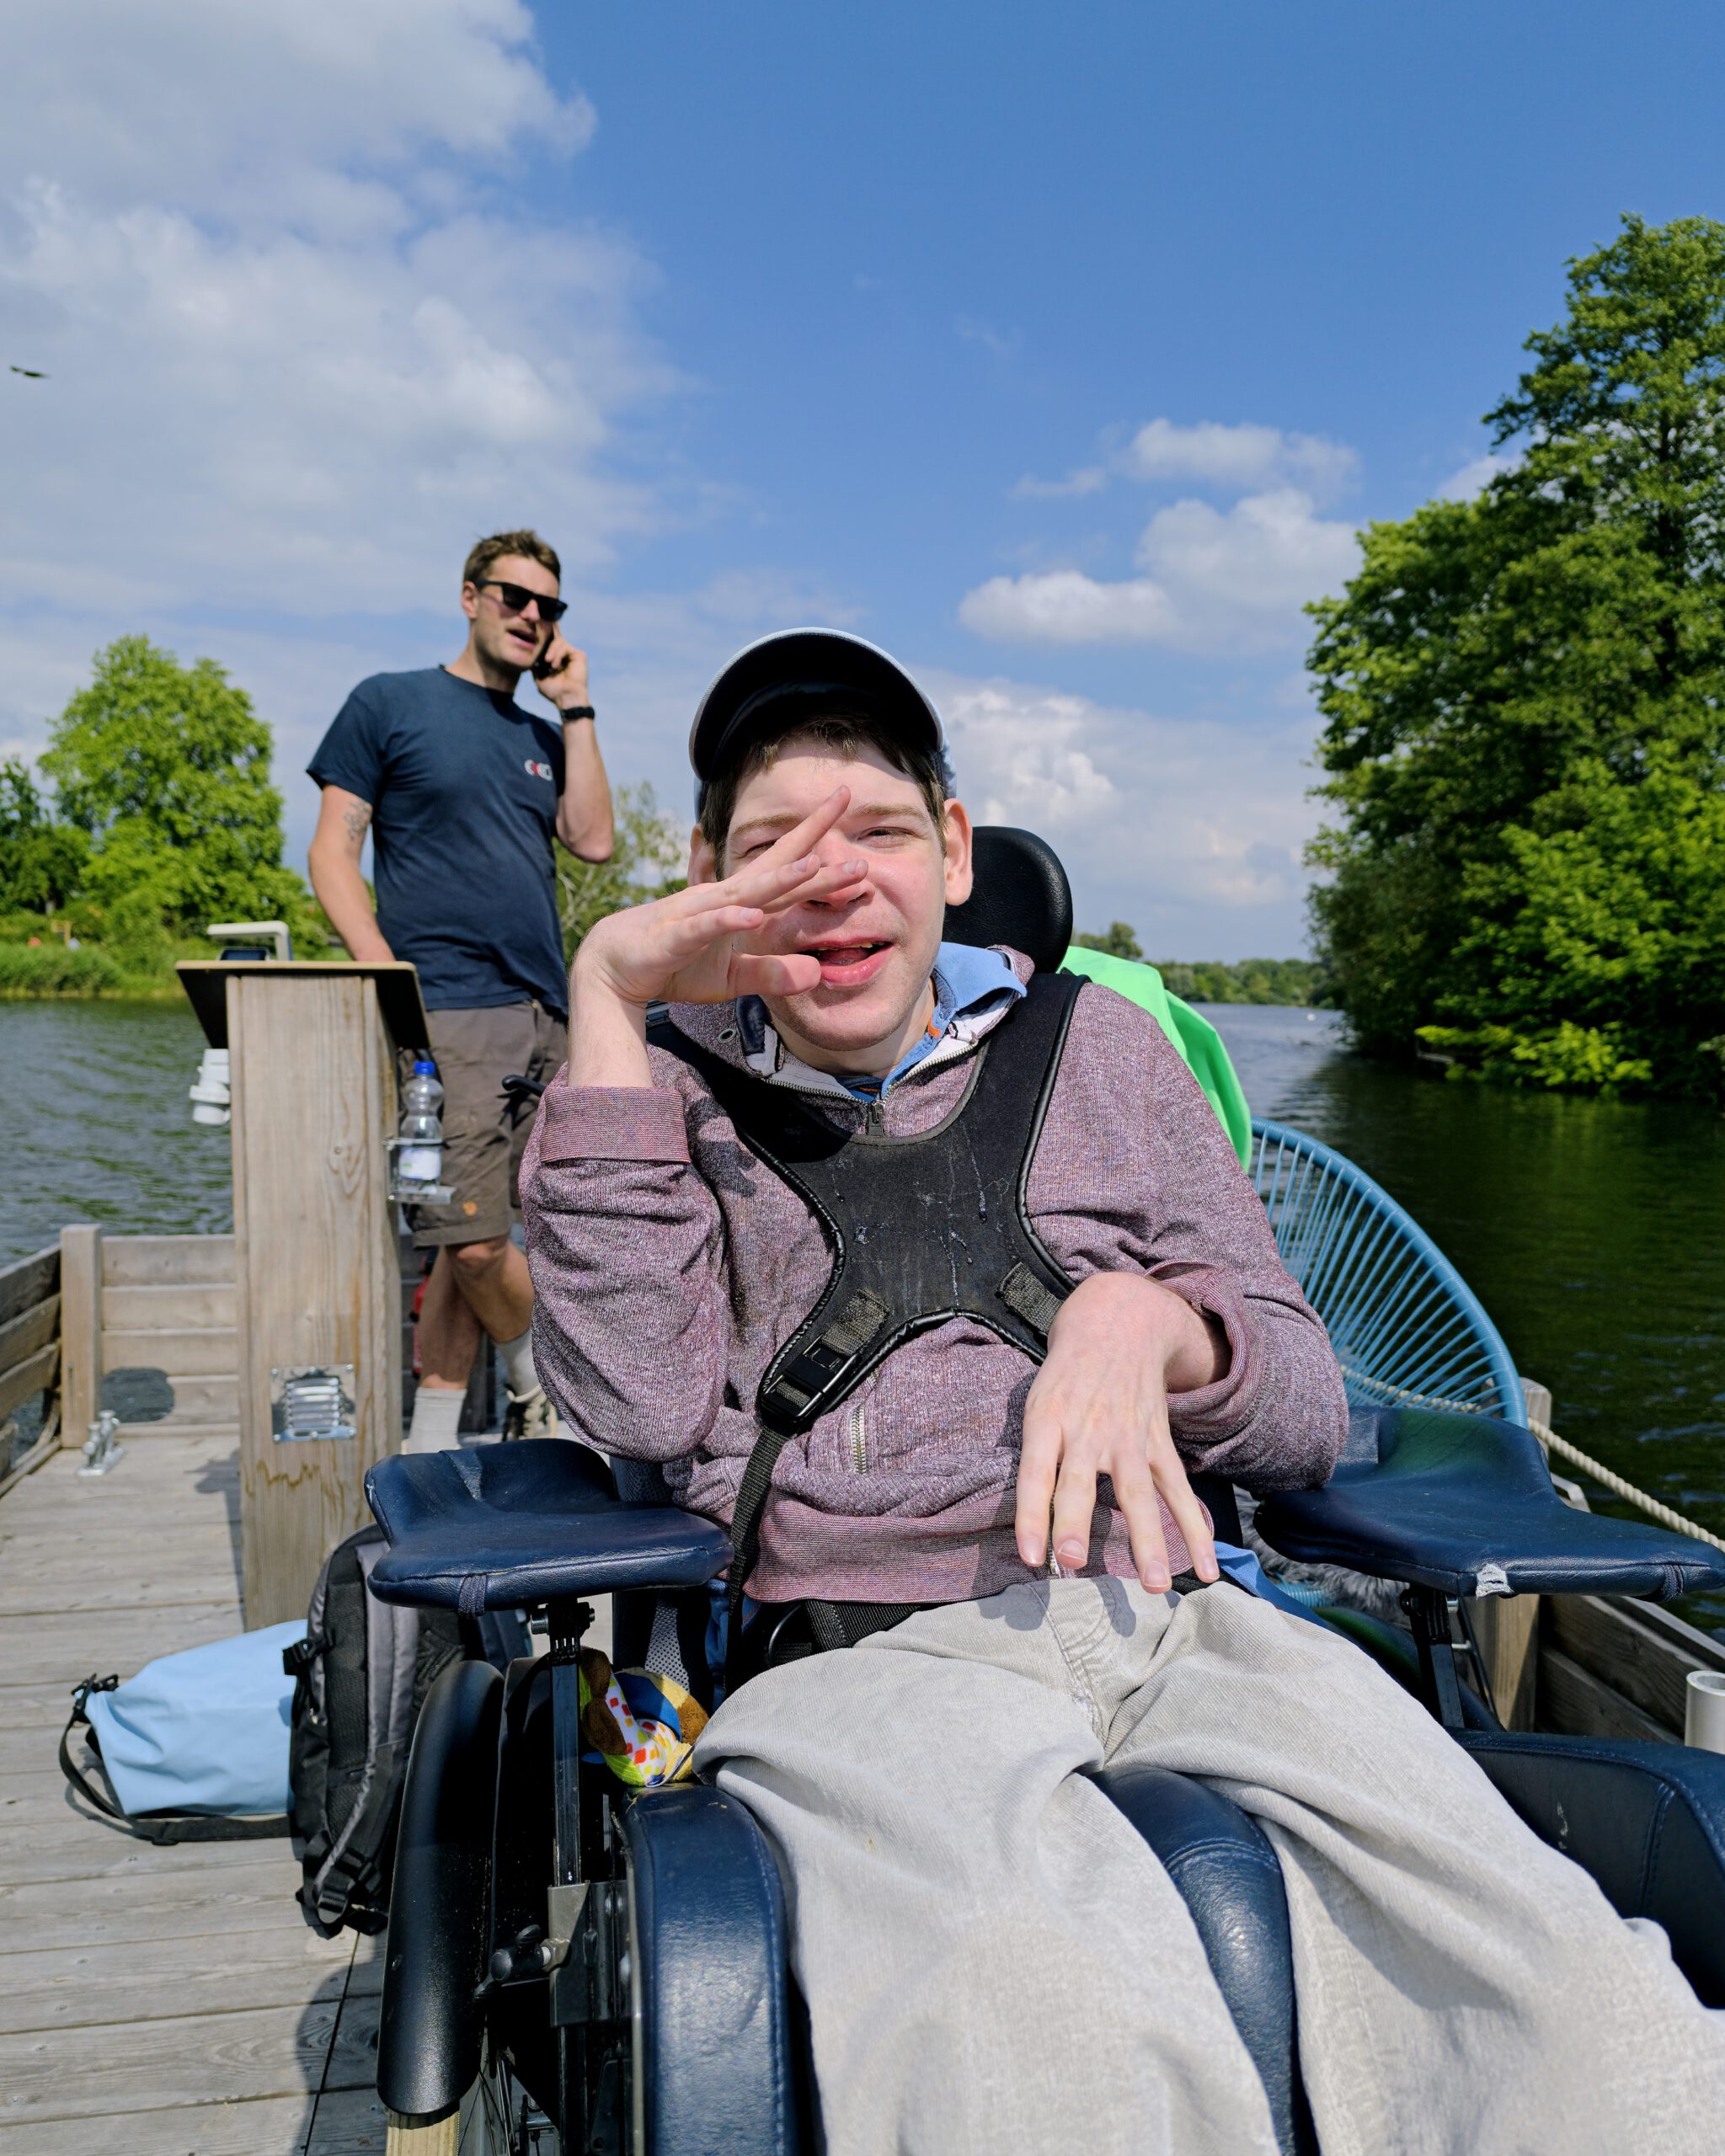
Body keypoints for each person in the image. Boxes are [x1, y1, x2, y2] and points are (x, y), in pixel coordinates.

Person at [521, 628, 1725, 2156]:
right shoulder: (657, 1089)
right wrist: (609, 1009)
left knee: (1577, 2001)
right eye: (770, 848)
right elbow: (629, 1409)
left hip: (1186, 1622)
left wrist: (1158, 1324)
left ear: (953, 852)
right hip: (869, 1666)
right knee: (1035, 2033)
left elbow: (1294, 1410)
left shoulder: (1112, 1052)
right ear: (698, 869)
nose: (830, 881)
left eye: (879, 832)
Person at [308, 529, 614, 1448]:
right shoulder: (388, 703)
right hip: (449, 1007)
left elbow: (594, 840)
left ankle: (431, 1439)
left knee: (462, 1245)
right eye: (515, 598)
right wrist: (380, 967)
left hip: (547, 1015)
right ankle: (545, 1382)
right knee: (476, 1238)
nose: (531, 617)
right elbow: (332, 849)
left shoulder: (538, 733)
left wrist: (577, 708)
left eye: (548, 607)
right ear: (469, 596)